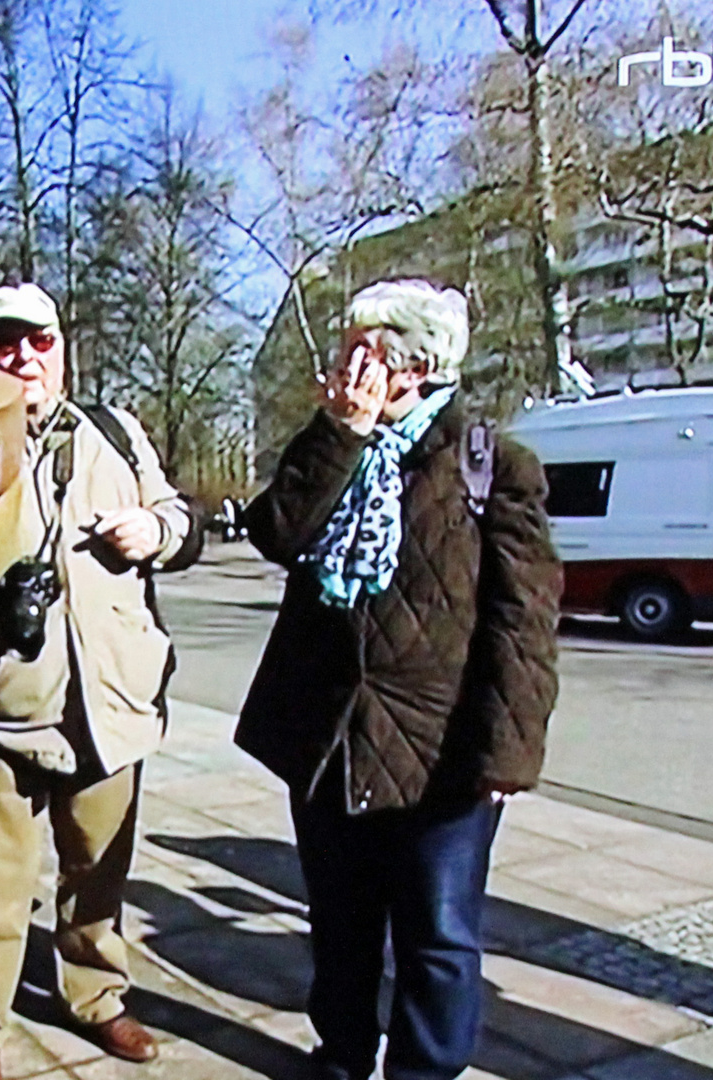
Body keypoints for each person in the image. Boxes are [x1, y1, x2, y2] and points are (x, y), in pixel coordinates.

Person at [236, 280, 561, 1080]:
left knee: (437, 936)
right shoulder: (333, 443)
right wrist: (337, 433)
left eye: (360, 350)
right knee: (341, 923)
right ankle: (340, 1058)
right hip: (331, 740)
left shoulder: (492, 466)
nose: (340, 366)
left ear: (410, 365)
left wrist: (505, 756)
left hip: (438, 750)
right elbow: (277, 531)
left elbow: (523, 625)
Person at [0, 284, 195, 1080]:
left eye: (38, 342)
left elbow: (178, 517)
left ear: (61, 349)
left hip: (108, 697)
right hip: (3, 700)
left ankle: (97, 997)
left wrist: (154, 530)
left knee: (98, 870)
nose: (23, 358)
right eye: (3, 344)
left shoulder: (115, 435)